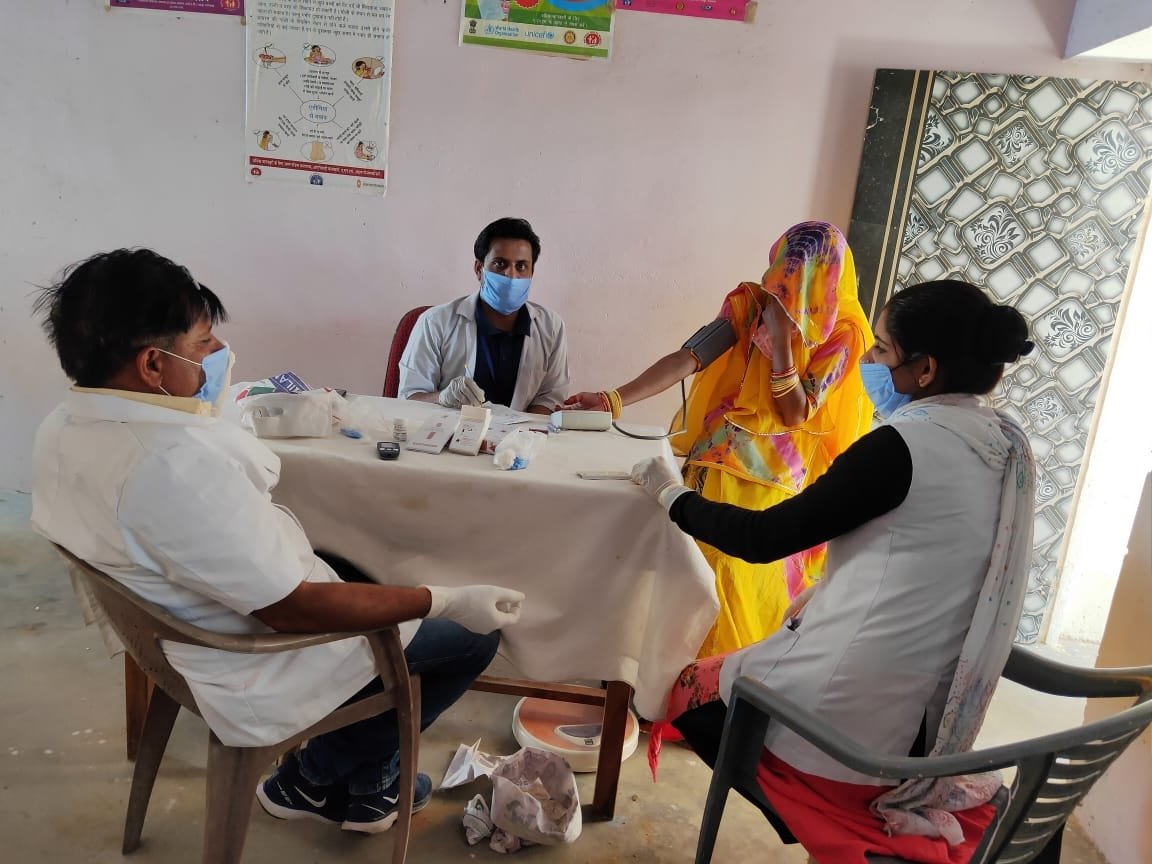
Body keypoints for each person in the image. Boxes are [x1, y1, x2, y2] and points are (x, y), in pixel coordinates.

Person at [30, 249, 525, 836]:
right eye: (202, 343)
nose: (219, 352)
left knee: (354, 563)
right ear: (152, 365)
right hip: (247, 658)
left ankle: (358, 777)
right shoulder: (170, 466)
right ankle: (317, 778)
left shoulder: (64, 427)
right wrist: (444, 600)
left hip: (174, 627)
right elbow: (295, 608)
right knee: (471, 637)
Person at [632, 280, 1038, 863]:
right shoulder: (1004, 445)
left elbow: (762, 538)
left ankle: (811, 799)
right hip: (926, 721)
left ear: (925, 370)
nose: (869, 360)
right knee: (767, 642)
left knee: (679, 689)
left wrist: (670, 496)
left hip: (845, 728)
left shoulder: (900, 447)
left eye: (883, 350)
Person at [566, 221, 872, 656]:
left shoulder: (844, 333)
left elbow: (795, 411)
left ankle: (714, 691)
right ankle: (653, 680)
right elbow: (689, 357)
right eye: (782, 275)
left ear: (828, 277)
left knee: (735, 597)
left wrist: (780, 338)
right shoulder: (750, 303)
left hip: (769, 489)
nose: (785, 289)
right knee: (681, 579)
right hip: (708, 466)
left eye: (798, 279)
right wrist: (613, 399)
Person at [398, 217, 569, 415]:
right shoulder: (435, 322)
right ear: (479, 269)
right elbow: (409, 398)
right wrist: (442, 398)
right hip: (447, 432)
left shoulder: (551, 327)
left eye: (521, 266)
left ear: (532, 272)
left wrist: (518, 430)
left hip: (523, 433)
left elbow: (550, 399)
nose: (511, 275)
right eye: (500, 264)